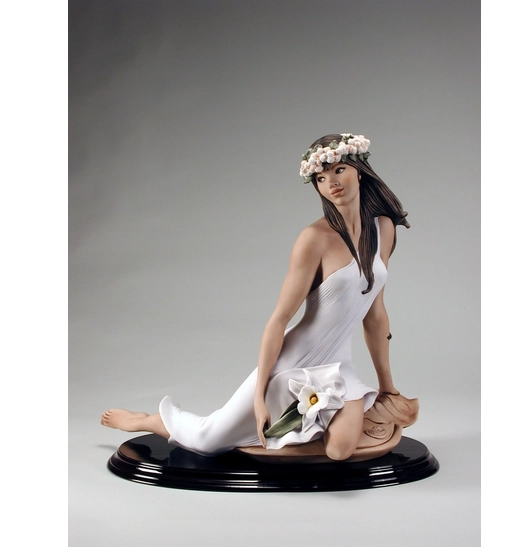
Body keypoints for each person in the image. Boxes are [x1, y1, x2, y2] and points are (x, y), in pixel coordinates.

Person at [101, 133, 410, 461]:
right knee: (208, 438)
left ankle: (303, 430)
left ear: (360, 171)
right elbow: (278, 320)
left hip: (339, 366)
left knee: (340, 450)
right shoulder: (314, 239)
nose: (331, 183)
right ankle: (146, 420)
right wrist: (260, 397)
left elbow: (375, 313)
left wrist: (387, 386)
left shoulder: (383, 228)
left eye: (339, 170)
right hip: (292, 363)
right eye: (320, 178)